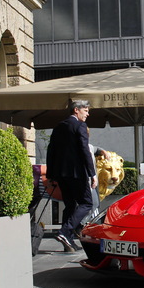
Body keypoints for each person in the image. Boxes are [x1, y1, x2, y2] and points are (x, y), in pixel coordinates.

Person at [46, 100, 97, 253]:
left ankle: (67, 239)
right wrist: (92, 173)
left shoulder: (58, 127)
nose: (87, 114)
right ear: (76, 110)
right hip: (77, 173)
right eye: (86, 110)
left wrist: (51, 174)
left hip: (61, 174)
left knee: (70, 205)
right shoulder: (79, 125)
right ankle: (65, 231)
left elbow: (51, 151)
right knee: (87, 203)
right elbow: (84, 150)